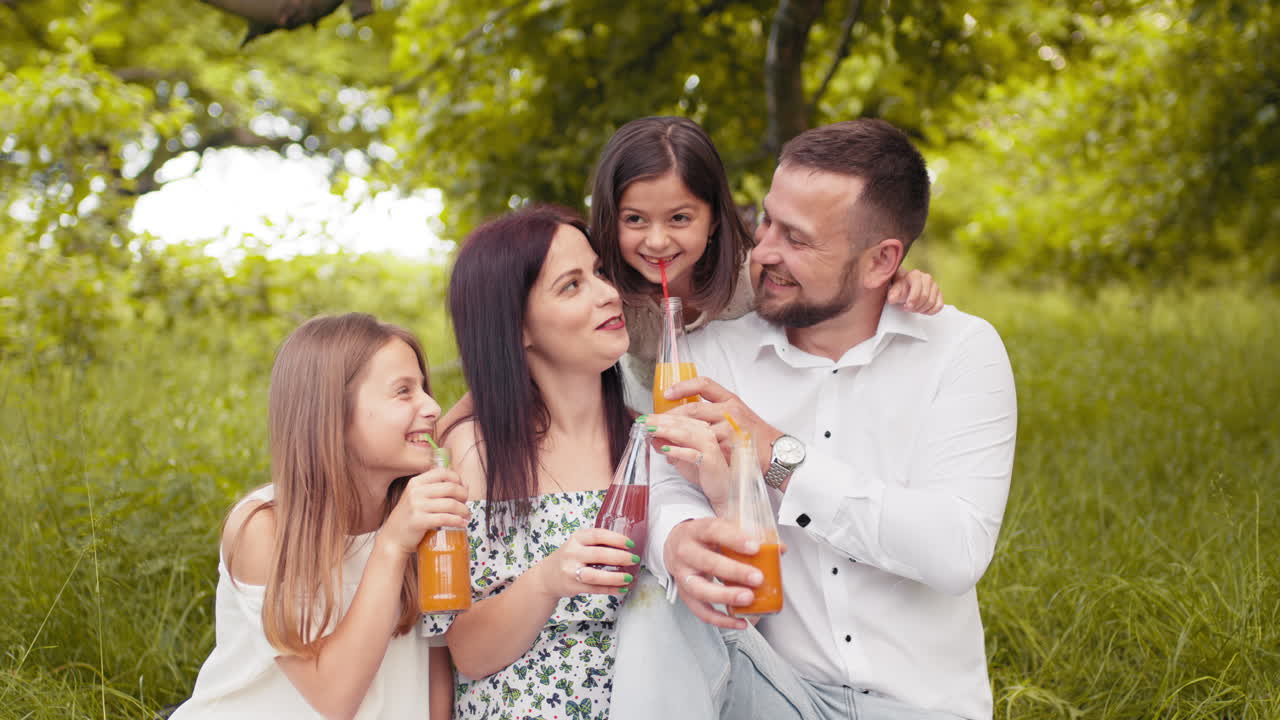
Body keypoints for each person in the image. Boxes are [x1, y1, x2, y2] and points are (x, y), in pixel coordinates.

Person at [611, 119, 1018, 720]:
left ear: (882, 262)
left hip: (923, 707)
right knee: (655, 594)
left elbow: (954, 550)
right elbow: (669, 484)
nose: (766, 251)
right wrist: (677, 542)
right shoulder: (710, 350)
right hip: (776, 694)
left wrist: (776, 452)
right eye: (767, 221)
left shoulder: (958, 351)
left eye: (797, 240)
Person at [171, 314, 469, 720]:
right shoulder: (264, 529)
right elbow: (334, 697)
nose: (433, 408)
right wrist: (392, 544)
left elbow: (435, 672)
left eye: (424, 388)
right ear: (333, 413)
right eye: (403, 392)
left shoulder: (425, 521)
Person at [422, 206, 641, 720]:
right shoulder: (475, 456)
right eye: (571, 285)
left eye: (600, 272)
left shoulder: (647, 444)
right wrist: (547, 580)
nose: (607, 293)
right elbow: (468, 653)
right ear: (518, 327)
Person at [586, 115, 944, 412]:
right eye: (634, 220)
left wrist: (895, 278)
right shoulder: (606, 294)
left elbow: (832, 276)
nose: (657, 241)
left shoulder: (753, 274)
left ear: (713, 219)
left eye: (679, 219)